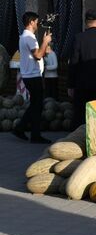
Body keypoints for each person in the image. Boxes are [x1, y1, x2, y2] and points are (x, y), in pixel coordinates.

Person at [13, 11, 52, 143]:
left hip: (30, 75)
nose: (37, 24)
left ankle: (25, 130)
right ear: (31, 22)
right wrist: (45, 41)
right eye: (36, 21)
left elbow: (43, 52)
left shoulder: (26, 36)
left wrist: (45, 43)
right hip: (32, 76)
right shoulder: (29, 37)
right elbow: (38, 55)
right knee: (37, 105)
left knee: (36, 104)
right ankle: (29, 132)